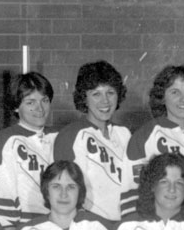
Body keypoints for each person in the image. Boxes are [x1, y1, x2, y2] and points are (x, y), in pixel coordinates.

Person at [53, 60, 133, 221]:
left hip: (125, 226)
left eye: (110, 93)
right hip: (90, 226)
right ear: (84, 98)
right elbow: (64, 194)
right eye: (96, 94)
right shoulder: (71, 135)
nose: (105, 101)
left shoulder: (124, 134)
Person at [126, 64, 184, 208]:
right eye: (175, 92)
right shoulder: (146, 135)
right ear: (162, 97)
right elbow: (132, 189)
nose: (183, 99)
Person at [0, 72, 56, 230]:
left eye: (44, 100)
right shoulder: (3, 142)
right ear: (16, 106)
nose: (40, 108)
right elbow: (0, 213)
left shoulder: (60, 137)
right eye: (30, 102)